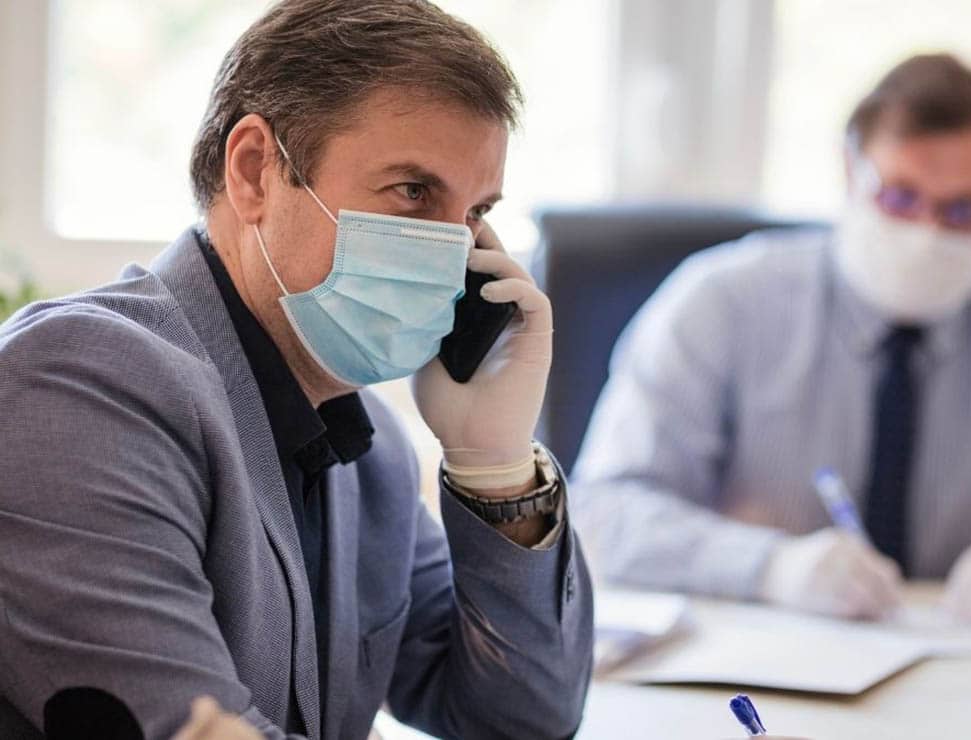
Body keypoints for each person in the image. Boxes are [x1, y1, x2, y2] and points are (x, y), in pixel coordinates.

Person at [0, 2, 592, 738]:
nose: (453, 252)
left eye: (474, 211)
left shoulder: (369, 448)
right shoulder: (81, 384)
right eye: (413, 191)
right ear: (254, 171)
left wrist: (496, 467)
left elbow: (522, 721)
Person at [572, 53, 971, 623]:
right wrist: (770, 567)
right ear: (851, 171)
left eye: (961, 211)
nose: (925, 232)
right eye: (900, 197)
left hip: (969, 670)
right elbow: (605, 512)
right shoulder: (721, 302)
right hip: (759, 668)